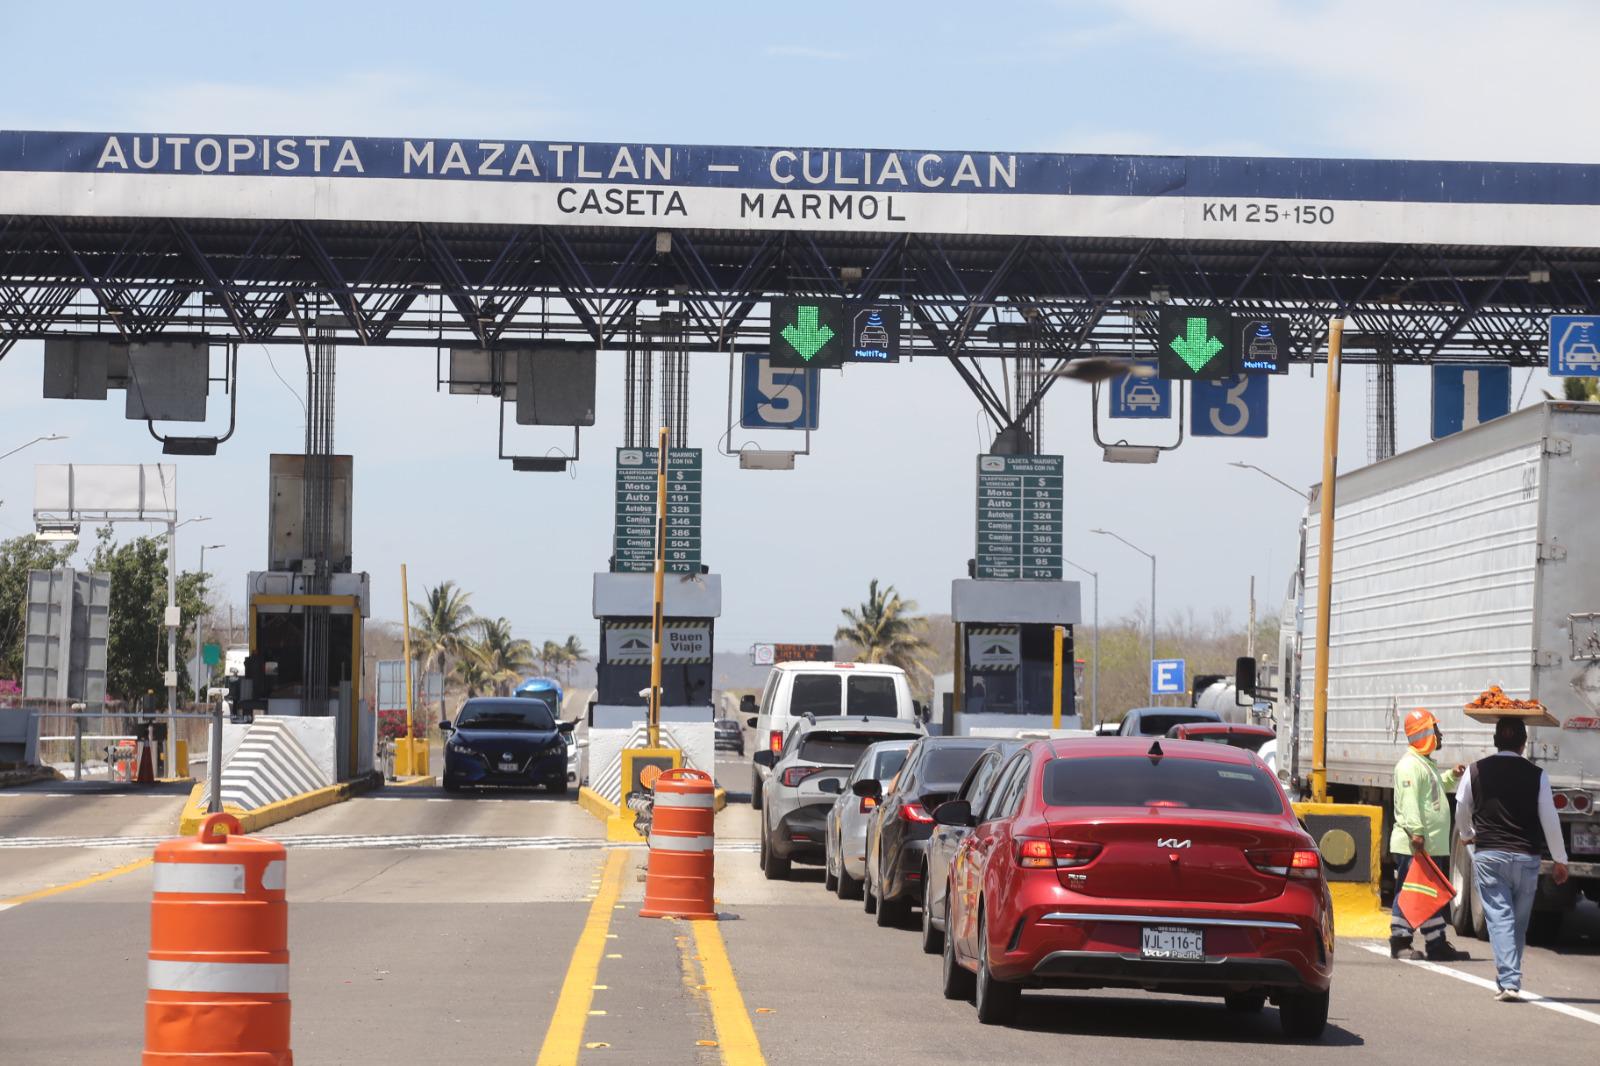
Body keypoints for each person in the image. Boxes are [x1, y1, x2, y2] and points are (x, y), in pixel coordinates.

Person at [1454, 716, 1570, 1001]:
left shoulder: (1475, 771)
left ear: (1495, 741)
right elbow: (1550, 819)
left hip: (1490, 855)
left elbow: (1461, 808)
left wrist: (1468, 833)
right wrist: (1560, 859)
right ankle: (1510, 977)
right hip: (1527, 857)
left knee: (1501, 918)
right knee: (1518, 921)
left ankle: (1509, 979)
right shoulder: (1537, 775)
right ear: (1523, 743)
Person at [1389, 709, 1469, 961]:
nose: (1440, 734)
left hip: (1428, 845)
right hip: (1415, 845)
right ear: (1425, 733)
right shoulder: (1410, 766)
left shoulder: (1424, 764)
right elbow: (1410, 802)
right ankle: (1402, 941)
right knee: (1410, 893)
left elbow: (1433, 790)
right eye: (1435, 729)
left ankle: (1435, 943)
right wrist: (1417, 833)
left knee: (1427, 894)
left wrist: (1451, 777)